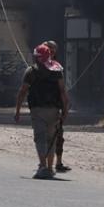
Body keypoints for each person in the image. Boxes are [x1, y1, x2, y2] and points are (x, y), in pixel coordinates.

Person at [14, 43, 69, 179]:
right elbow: (63, 92)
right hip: (54, 110)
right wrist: (65, 110)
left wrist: (18, 110)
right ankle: (50, 168)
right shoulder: (57, 70)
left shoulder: (31, 71)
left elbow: (22, 92)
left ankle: (43, 166)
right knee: (51, 140)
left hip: (38, 110)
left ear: (37, 57)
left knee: (40, 139)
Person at [43, 40, 70, 173]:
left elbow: (62, 89)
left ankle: (58, 163)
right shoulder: (39, 67)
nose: (51, 52)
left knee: (59, 136)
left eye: (53, 50)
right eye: (49, 49)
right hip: (42, 107)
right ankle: (44, 163)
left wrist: (65, 106)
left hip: (55, 106)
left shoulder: (57, 67)